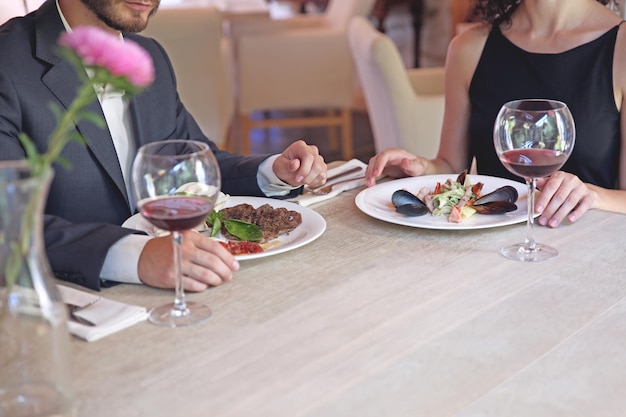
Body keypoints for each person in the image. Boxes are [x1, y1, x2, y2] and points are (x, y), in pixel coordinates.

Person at [0, 0, 328, 292]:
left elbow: (195, 162)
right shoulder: (7, 65)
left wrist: (274, 172)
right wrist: (135, 256)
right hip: (67, 303)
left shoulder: (148, 57)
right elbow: (7, 226)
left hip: (186, 291)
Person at [366, 0, 626, 228]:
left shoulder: (621, 47)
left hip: (589, 250)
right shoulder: (469, 48)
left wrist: (594, 195)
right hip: (491, 253)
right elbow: (452, 167)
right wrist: (421, 169)